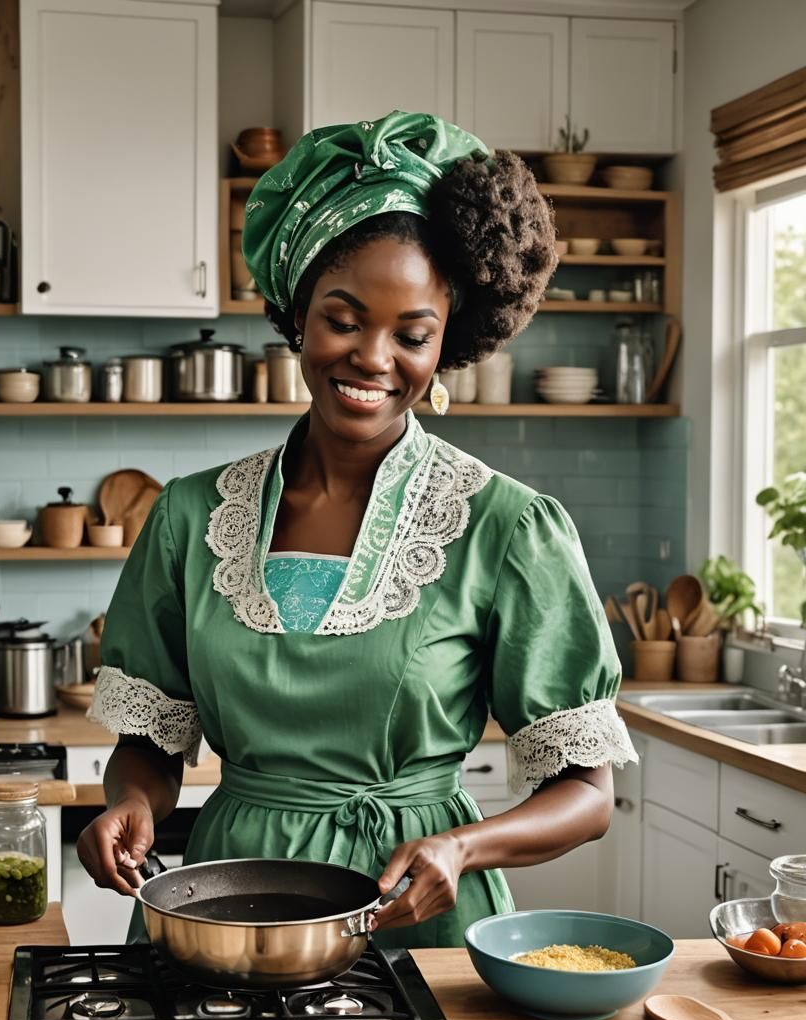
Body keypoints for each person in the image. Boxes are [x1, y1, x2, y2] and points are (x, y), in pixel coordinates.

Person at [77, 111, 638, 948]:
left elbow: (588, 796)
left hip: (416, 913)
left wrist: (463, 846)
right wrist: (129, 802)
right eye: (344, 320)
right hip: (227, 907)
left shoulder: (508, 526)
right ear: (298, 314)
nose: (374, 358)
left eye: (412, 335)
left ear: (446, 345)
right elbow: (151, 748)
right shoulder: (190, 517)